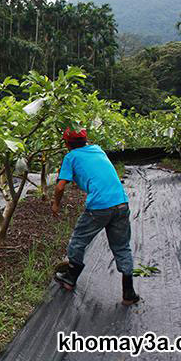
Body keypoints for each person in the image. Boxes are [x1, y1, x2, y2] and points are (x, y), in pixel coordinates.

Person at [51, 128, 140, 306]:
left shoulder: (71, 157)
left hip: (99, 207)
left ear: (66, 143)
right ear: (87, 140)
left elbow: (60, 187)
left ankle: (70, 277)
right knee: (122, 247)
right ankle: (128, 293)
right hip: (121, 203)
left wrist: (55, 204)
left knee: (78, 241)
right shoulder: (98, 150)